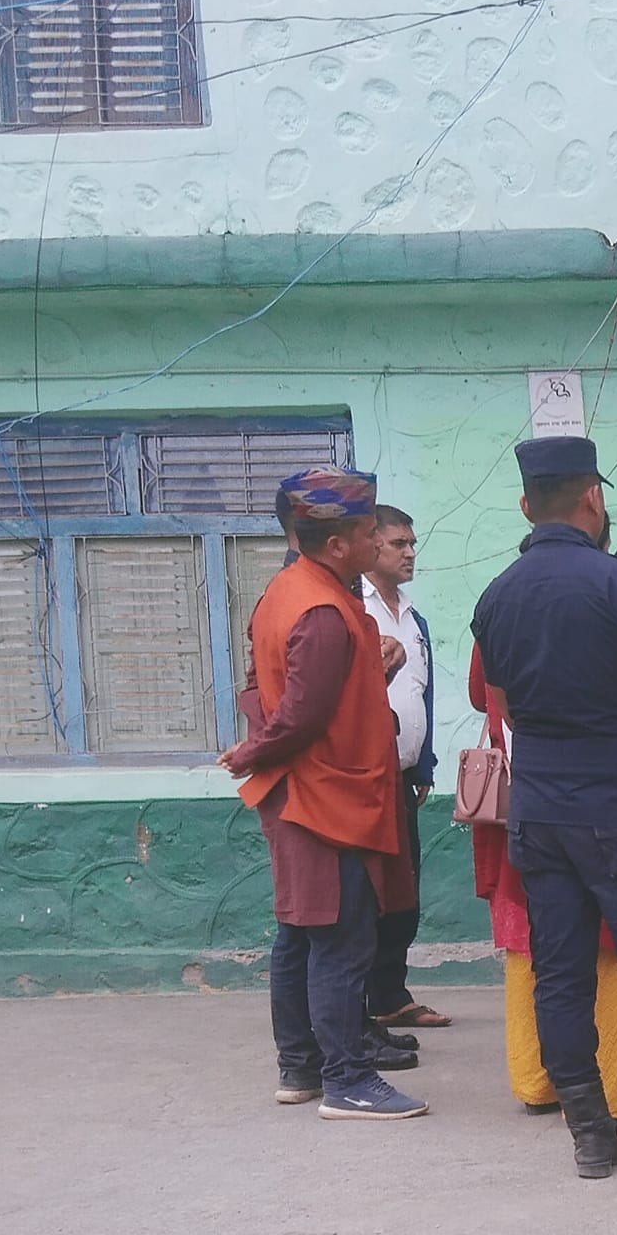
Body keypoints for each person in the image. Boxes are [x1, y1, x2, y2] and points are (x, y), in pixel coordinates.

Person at [471, 436, 617, 1183]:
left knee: (562, 973)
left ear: (524, 506)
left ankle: (591, 1135)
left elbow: (502, 708)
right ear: (593, 500)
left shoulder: (497, 598)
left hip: (540, 813)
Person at [220, 469, 425, 1121]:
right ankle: (347, 1078)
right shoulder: (324, 612)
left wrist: (374, 661)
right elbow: (303, 715)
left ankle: (300, 1068)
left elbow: (259, 684)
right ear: (339, 543)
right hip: (327, 800)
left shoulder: (289, 593)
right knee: (341, 940)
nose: (378, 542)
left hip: (304, 794)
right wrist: (252, 750)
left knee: (301, 936)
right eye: (370, 533)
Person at [467, 647, 617, 1126]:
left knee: (536, 938)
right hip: (598, 796)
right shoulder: (608, 599)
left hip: (528, 803)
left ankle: (542, 1081)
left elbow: (479, 694)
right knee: (610, 933)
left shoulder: (498, 608)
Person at [360, 503, 446, 1030]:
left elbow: (421, 694)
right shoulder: (355, 609)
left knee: (403, 892)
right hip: (364, 777)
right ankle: (363, 1003)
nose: (410, 553)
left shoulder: (413, 618)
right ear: (371, 545)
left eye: (413, 543)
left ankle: (391, 993)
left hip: (404, 775)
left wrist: (425, 763)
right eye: (399, 544)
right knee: (366, 895)